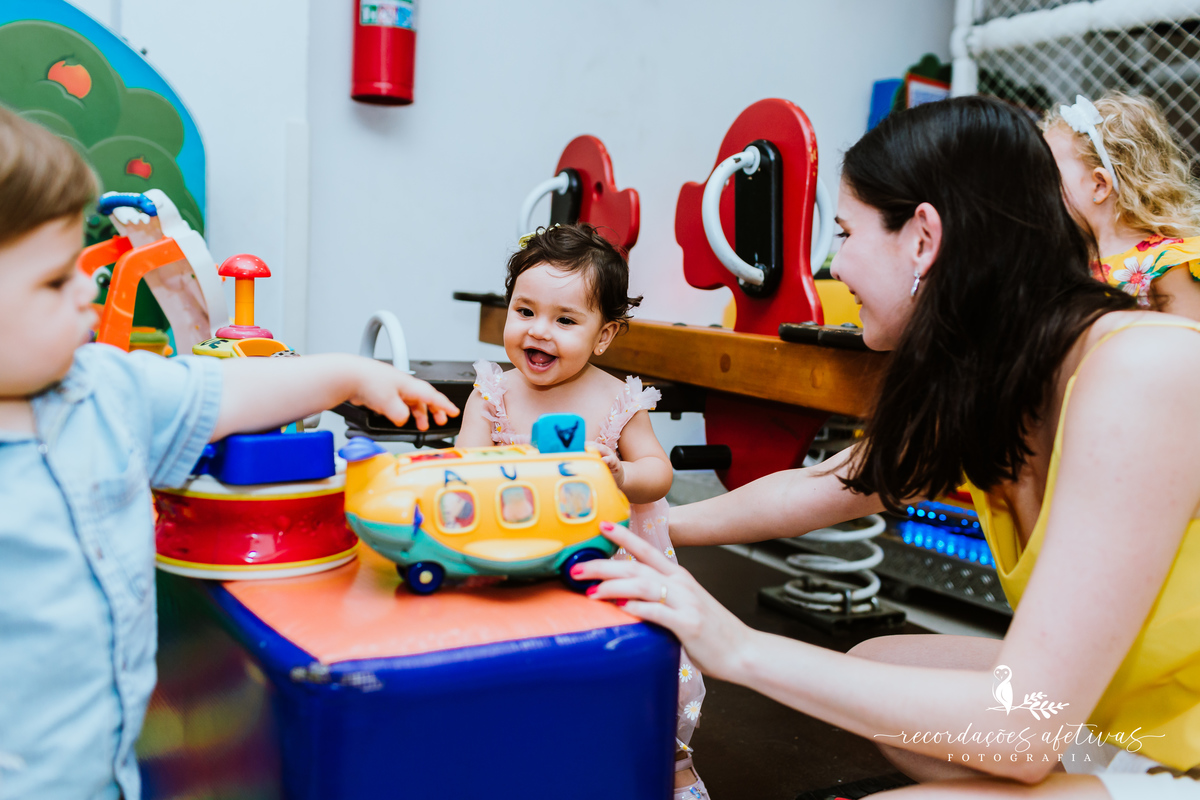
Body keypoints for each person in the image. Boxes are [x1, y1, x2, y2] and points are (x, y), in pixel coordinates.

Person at [573, 96, 1200, 799]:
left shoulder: (1145, 371)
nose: (835, 268)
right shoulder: (999, 374)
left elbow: (1024, 729)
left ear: (923, 238)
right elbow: (814, 490)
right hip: (1123, 719)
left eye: (844, 232)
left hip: (1180, 755)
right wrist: (634, 526)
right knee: (883, 662)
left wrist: (738, 647)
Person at [0, 106, 459, 800]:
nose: (88, 285)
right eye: (54, 280)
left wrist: (346, 374)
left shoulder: (107, 391)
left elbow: (228, 387)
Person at [456, 223, 709, 799]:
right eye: (525, 310)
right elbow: (466, 462)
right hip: (519, 558)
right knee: (528, 668)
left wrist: (621, 474)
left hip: (608, 568)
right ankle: (537, 756)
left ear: (603, 335)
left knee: (637, 672)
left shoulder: (616, 398)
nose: (538, 331)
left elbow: (658, 472)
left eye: (565, 320)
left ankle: (672, 768)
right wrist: (499, 464)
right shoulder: (493, 393)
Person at [1042, 92, 1200, 320]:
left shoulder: (1170, 263)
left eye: (1048, 176)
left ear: (1100, 185)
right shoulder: (1066, 262)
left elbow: (1191, 346)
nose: (1036, 188)